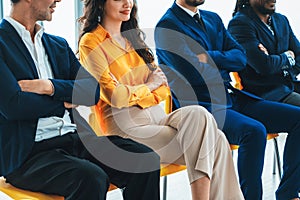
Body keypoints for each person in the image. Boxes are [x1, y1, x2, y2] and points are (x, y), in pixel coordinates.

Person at [78, 0, 244, 199]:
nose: (127, 3)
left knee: (200, 115)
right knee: (216, 140)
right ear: (100, 3)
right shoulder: (91, 42)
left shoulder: (133, 39)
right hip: (126, 130)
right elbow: (115, 96)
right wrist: (148, 86)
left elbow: (164, 87)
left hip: (159, 118)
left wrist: (135, 91)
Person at [0, 0, 161, 200]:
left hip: (77, 140)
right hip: (29, 154)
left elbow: (91, 92)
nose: (58, 0)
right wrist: (65, 101)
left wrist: (50, 87)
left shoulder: (57, 45)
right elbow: (13, 106)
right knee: (92, 178)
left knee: (145, 160)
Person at [154, 0, 300, 200]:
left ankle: (288, 194)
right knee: (254, 131)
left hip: (230, 96)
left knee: (298, 118)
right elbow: (194, 73)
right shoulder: (167, 26)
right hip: (201, 106)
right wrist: (222, 60)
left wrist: (206, 56)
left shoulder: (212, 18)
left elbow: (240, 58)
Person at [228, 0, 300, 107]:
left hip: (291, 85)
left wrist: (284, 69)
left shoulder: (281, 19)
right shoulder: (240, 24)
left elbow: (298, 55)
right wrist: (288, 57)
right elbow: (264, 66)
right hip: (266, 94)